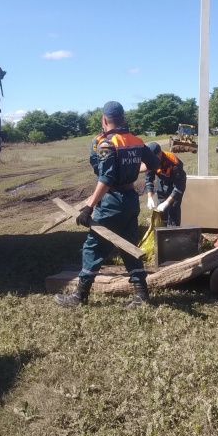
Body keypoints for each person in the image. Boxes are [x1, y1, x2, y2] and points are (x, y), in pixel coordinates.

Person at [54, 101, 161, 308]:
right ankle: (142, 296)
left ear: (104, 120)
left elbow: (106, 179)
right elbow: (154, 164)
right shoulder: (137, 141)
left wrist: (89, 207)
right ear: (123, 118)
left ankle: (79, 296)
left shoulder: (106, 144)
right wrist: (128, 171)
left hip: (112, 202)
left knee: (93, 247)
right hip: (131, 199)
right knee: (129, 245)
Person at [143, 142, 187, 227]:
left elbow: (178, 188)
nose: (151, 160)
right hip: (162, 180)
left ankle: (173, 233)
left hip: (176, 182)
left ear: (159, 154)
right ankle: (163, 231)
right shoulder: (151, 161)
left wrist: (166, 203)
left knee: (173, 209)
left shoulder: (174, 163)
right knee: (162, 211)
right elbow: (149, 179)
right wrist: (149, 197)